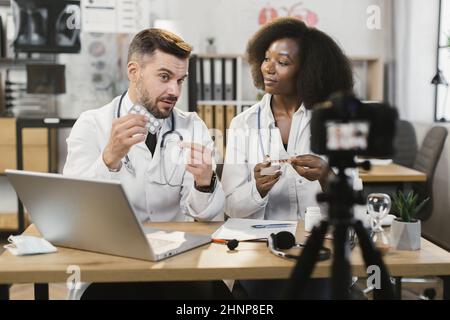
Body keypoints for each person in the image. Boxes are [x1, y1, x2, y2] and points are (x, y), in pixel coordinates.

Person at [63, 28, 230, 299]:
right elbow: (74, 211)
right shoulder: (92, 124)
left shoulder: (192, 126)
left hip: (178, 265)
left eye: (180, 80)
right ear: (134, 71)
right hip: (112, 266)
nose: (174, 90)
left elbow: (205, 217)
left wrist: (204, 182)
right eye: (164, 77)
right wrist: (110, 158)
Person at [222, 17, 354, 299]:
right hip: (262, 255)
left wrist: (327, 177)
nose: (268, 68)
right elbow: (231, 207)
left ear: (307, 71)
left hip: (321, 253)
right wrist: (256, 189)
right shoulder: (243, 124)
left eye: (282, 62)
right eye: (266, 58)